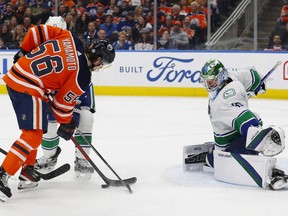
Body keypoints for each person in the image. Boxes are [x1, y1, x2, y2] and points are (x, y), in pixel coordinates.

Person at [0, 16, 115, 200]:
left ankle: (28, 169)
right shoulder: (83, 76)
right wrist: (68, 123)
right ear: (98, 59)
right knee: (32, 134)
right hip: (29, 86)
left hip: (20, 76)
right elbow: (61, 105)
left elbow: (37, 31)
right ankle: (2, 176)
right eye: (102, 63)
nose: (101, 67)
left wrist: (23, 50)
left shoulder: (71, 38)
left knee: (38, 129)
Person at [200, 59, 287, 190]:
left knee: (231, 155)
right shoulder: (232, 77)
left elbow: (247, 121)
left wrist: (260, 140)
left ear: (222, 77)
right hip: (228, 136)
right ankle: (216, 156)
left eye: (211, 80)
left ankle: (271, 173)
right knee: (215, 160)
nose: (208, 84)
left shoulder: (224, 101)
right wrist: (258, 84)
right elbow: (253, 75)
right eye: (206, 80)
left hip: (232, 140)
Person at [34, 16, 100, 182]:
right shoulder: (39, 52)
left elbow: (83, 79)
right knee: (47, 122)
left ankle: (82, 159)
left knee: (86, 117)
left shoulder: (74, 48)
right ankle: (49, 156)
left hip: (76, 92)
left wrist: (73, 114)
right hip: (53, 96)